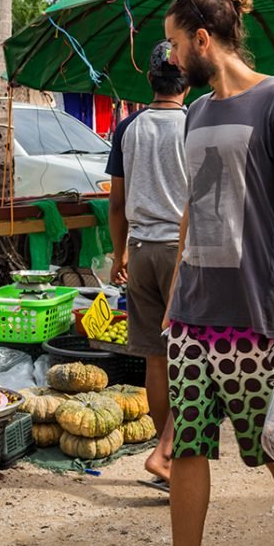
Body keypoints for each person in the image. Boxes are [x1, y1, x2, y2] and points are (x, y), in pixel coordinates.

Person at [162, 0, 274, 546]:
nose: (172, 56)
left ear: (203, 40)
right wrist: (176, 285)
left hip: (255, 308)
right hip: (192, 311)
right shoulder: (196, 113)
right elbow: (194, 202)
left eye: (177, 43)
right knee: (188, 445)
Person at [106, 40, 187, 489]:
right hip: (182, 252)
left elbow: (116, 204)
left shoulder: (128, 128)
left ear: (151, 79)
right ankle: (168, 453)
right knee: (191, 358)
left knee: (156, 361)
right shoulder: (195, 122)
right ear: (187, 80)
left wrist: (120, 252)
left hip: (140, 251)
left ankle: (165, 452)